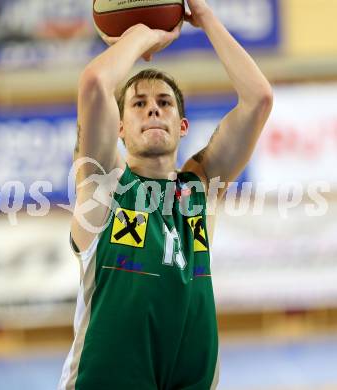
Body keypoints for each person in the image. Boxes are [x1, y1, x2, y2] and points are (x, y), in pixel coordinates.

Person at [58, 0, 273, 389]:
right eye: (139, 103)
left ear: (183, 125)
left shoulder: (199, 188)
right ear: (119, 128)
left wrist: (204, 18)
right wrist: (143, 36)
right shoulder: (102, 187)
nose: (153, 110)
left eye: (164, 103)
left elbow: (259, 99)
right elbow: (93, 83)